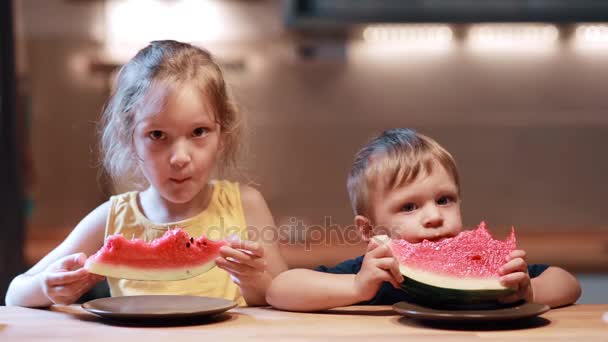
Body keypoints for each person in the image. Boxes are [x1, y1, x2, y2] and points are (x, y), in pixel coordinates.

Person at [6, 40, 287, 307]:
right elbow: (14, 294)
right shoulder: (111, 218)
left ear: (222, 134)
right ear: (129, 137)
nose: (179, 158)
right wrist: (47, 286)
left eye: (198, 132)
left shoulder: (246, 206)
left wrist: (254, 280)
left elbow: (283, 295)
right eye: (157, 135)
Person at [266, 128, 581, 311]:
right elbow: (280, 289)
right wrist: (357, 286)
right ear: (368, 229)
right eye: (409, 207)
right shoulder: (375, 272)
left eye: (444, 200)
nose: (433, 216)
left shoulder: (482, 262)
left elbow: (567, 283)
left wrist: (530, 292)